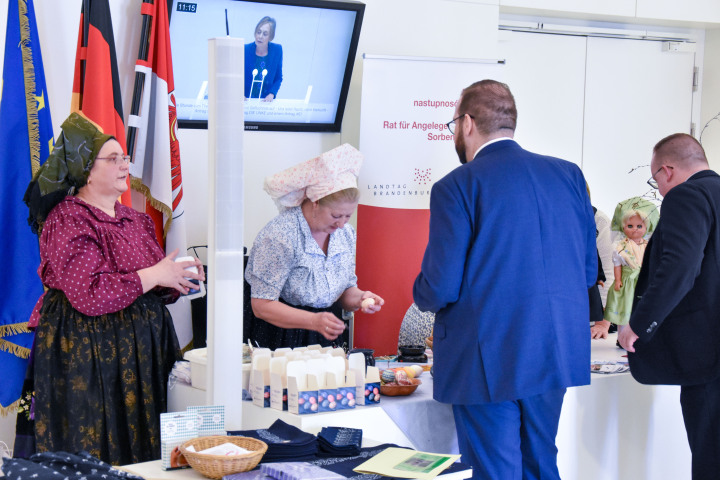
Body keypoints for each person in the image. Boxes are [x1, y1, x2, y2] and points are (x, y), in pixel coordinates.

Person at [412, 80, 597, 480]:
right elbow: (586, 271)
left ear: (465, 124)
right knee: (540, 464)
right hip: (554, 349)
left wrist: (419, 293)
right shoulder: (568, 175)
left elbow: (441, 286)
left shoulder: (456, 186)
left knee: (496, 470)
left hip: (486, 356)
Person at [21, 112, 204, 465]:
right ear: (86, 170)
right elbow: (88, 293)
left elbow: (152, 283)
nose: (124, 165)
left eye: (125, 157)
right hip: (88, 352)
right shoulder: (68, 217)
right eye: (113, 158)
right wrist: (153, 275)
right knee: (95, 444)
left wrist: (176, 277)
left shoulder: (134, 219)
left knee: (150, 445)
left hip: (143, 350)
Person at [618, 133, 720, 480]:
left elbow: (679, 266)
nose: (659, 190)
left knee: (710, 459)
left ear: (667, 171)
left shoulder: (686, 195)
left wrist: (638, 323)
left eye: (655, 180)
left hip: (707, 357)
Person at [245, 144, 384, 350]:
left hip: (326, 332)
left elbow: (345, 290)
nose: (342, 224)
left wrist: (360, 298)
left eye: (348, 216)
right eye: (336, 215)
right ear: (316, 202)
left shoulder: (345, 234)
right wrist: (313, 321)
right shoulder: (280, 235)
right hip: (281, 337)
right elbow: (261, 306)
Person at [599, 197, 659, 333]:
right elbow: (617, 265)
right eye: (630, 226)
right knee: (624, 308)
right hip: (626, 281)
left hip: (643, 280)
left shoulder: (648, 246)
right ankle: (623, 336)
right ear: (623, 227)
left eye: (640, 226)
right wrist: (618, 280)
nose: (635, 230)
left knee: (642, 307)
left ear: (647, 227)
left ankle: (640, 335)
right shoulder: (621, 247)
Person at [244, 16, 283, 101]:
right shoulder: (245, 50)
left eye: (265, 34)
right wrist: (238, 94)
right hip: (245, 101)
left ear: (271, 37)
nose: (260, 36)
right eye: (258, 32)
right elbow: (235, 76)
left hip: (265, 102)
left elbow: (278, 78)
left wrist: (272, 94)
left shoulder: (277, 50)